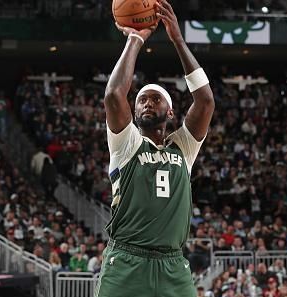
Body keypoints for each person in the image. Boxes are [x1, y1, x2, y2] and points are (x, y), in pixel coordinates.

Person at [94, 0, 214, 296]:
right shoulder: (127, 143)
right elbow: (112, 95)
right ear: (134, 113)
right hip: (126, 261)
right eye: (142, 100)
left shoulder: (183, 149)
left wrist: (177, 39)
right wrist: (136, 38)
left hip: (172, 265)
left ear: (171, 112)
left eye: (155, 99)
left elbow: (206, 101)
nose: (148, 102)